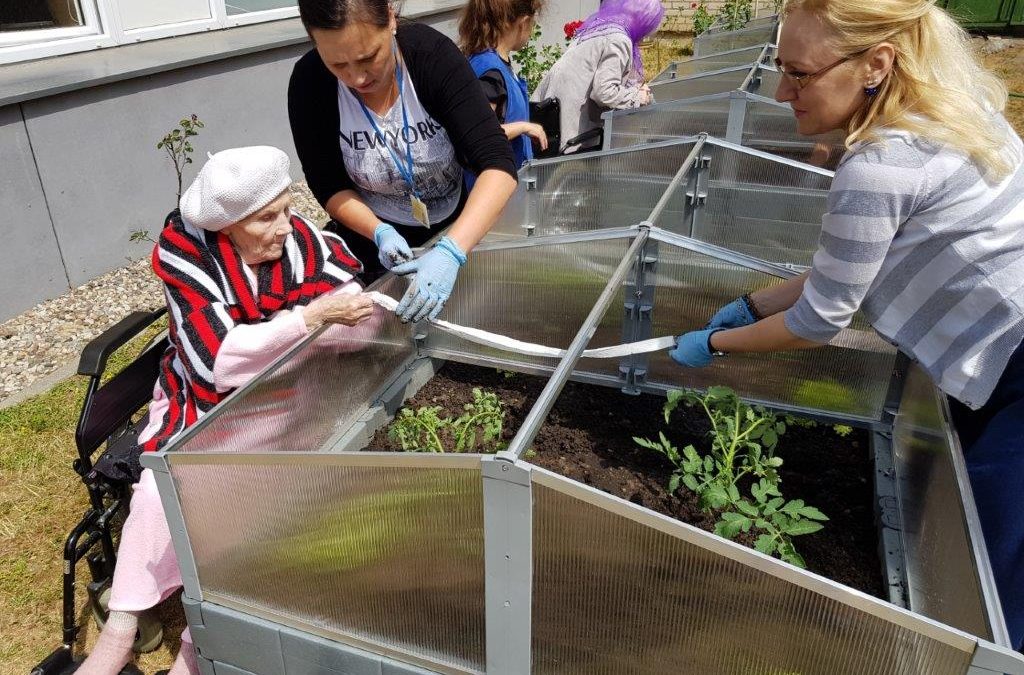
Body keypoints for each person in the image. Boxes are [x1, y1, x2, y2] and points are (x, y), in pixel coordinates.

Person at [667, 0, 1024, 650]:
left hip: (1017, 375)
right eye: (781, 69)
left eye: (800, 74)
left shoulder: (880, 165)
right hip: (1008, 351)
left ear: (876, 64)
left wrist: (715, 343)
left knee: (992, 598)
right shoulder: (952, 114)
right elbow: (853, 273)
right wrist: (755, 304)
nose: (782, 92)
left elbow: (822, 318)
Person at [77, 146, 378, 675]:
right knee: (160, 487)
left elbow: (345, 291)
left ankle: (200, 642)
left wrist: (353, 312)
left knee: (250, 508)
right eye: (267, 217)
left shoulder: (298, 238)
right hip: (202, 398)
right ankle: (122, 627)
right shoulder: (186, 255)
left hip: (282, 397)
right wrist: (307, 321)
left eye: (287, 208)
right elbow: (214, 359)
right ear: (228, 225)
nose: (286, 225)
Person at [288, 0, 518, 321]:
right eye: (338, 64)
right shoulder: (310, 82)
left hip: (453, 228)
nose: (357, 78)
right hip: (372, 241)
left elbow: (497, 164)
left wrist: (452, 251)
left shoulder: (431, 57)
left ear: (391, 19)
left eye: (368, 57)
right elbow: (327, 184)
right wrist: (379, 231)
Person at [531, 0, 664, 154]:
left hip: (550, 112)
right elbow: (604, 92)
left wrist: (633, 90)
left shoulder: (602, 29)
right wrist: (638, 97)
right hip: (569, 128)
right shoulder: (619, 40)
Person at [458, 0, 548, 187]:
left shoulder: (488, 63)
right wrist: (525, 127)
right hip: (494, 191)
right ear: (523, 22)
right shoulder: (490, 70)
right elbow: (479, 134)